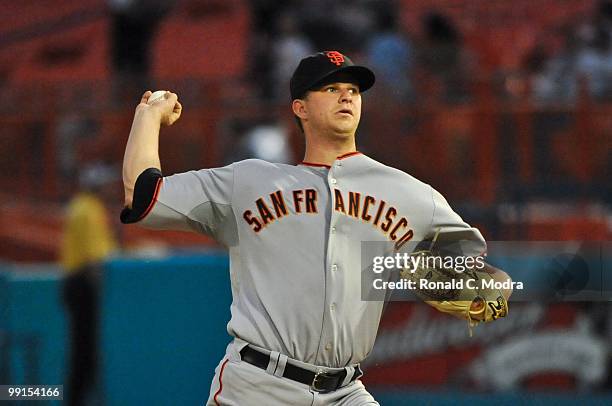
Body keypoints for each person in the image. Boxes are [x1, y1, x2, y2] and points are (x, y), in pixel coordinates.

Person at [120, 51, 512, 405]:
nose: (347, 96)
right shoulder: (248, 181)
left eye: (353, 90)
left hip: (346, 392)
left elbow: (474, 267)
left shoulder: (409, 193)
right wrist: (148, 116)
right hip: (257, 386)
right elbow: (142, 198)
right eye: (331, 88)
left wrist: (481, 286)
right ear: (300, 107)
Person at [61, 163, 118, 406]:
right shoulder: (91, 211)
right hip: (84, 287)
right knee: (86, 351)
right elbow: (96, 261)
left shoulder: (78, 205)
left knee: (81, 350)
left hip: (73, 284)